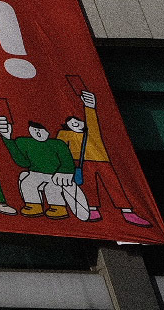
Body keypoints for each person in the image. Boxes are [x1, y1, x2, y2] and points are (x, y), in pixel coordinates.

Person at [56, 89, 152, 226]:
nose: (75, 123)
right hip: (80, 162)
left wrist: (89, 106)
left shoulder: (91, 130)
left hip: (102, 160)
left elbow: (91, 120)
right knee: (89, 186)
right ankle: (93, 209)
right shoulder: (65, 134)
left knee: (114, 185)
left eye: (76, 121)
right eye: (71, 123)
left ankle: (127, 211)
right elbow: (61, 148)